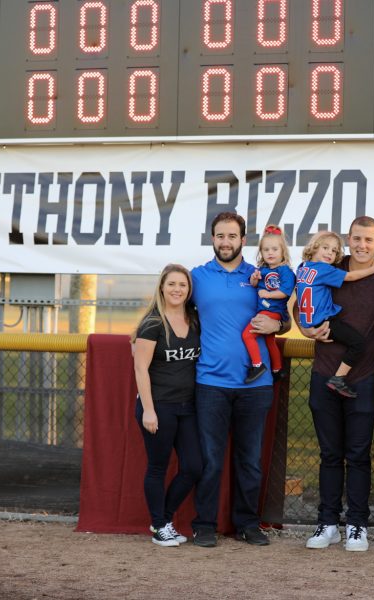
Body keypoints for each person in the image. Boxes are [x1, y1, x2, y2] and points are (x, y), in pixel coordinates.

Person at [190, 212, 286, 548]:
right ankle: (204, 524)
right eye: (220, 236)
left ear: (243, 240)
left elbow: (283, 315)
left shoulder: (261, 275)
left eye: (232, 236)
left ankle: (247, 523)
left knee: (249, 459)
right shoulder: (197, 277)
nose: (226, 242)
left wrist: (280, 326)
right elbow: (172, 310)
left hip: (254, 385)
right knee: (210, 459)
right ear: (212, 238)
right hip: (210, 382)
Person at [300, 216, 374, 552]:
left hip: (364, 377)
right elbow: (301, 300)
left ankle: (357, 524)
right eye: (356, 238)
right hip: (324, 372)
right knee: (329, 454)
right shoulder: (328, 265)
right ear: (347, 240)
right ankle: (327, 523)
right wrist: (306, 329)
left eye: (368, 240)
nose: (362, 245)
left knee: (357, 455)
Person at [132, 264, 202, 547]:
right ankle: (160, 526)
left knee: (194, 467)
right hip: (159, 406)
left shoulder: (195, 319)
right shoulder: (152, 323)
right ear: (162, 287)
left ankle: (164, 519)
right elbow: (140, 369)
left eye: (182, 285)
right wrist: (148, 410)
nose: (177, 289)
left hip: (188, 406)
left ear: (189, 290)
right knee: (158, 467)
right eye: (171, 284)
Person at [295, 230, 374, 398]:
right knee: (358, 343)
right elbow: (350, 276)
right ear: (314, 248)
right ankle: (338, 378)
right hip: (323, 322)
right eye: (325, 247)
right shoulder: (322, 269)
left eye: (334, 251)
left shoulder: (302, 268)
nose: (330, 253)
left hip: (309, 321)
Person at [242, 224, 296, 383]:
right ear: (261, 252)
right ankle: (277, 369)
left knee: (247, 335)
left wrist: (268, 294)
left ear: (283, 251)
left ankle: (257, 365)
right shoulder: (262, 270)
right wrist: (254, 280)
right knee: (269, 340)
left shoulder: (284, 271)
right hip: (264, 310)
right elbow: (255, 286)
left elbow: (285, 292)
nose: (270, 253)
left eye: (274, 249)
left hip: (272, 311)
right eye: (266, 250)